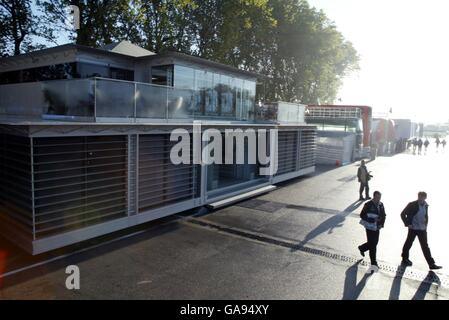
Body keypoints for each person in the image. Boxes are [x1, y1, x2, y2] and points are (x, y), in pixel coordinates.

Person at [400, 192, 442, 270]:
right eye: (419, 197)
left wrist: (426, 225)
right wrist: (407, 223)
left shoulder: (426, 205)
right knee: (408, 243)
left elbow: (425, 216)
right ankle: (405, 258)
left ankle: (431, 264)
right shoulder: (412, 204)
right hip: (413, 228)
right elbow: (402, 214)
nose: (420, 198)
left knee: (425, 246)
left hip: (422, 229)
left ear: (425, 198)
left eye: (422, 197)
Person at [358, 191, 386, 268]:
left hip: (377, 227)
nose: (378, 199)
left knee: (374, 243)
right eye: (377, 197)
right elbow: (362, 215)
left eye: (379, 198)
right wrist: (372, 220)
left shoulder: (381, 205)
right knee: (373, 245)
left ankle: (362, 248)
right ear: (373, 197)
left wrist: (381, 224)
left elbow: (384, 215)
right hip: (369, 227)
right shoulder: (368, 204)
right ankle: (373, 263)